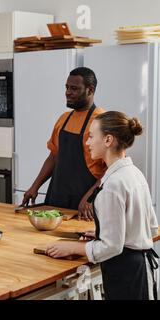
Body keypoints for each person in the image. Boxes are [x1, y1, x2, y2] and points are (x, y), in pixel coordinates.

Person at [46, 111, 159, 300]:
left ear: (108, 140)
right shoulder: (134, 173)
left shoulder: (113, 184)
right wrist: (103, 231)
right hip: (140, 269)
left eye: (91, 136)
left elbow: (111, 247)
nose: (87, 142)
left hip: (126, 274)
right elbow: (152, 228)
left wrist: (73, 248)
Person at [21, 67, 107, 220]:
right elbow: (53, 157)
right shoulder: (64, 119)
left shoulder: (102, 121)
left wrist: (90, 198)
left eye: (74, 88)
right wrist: (34, 187)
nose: (68, 92)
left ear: (90, 90)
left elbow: (112, 169)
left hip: (84, 206)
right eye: (67, 87)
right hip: (57, 198)